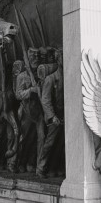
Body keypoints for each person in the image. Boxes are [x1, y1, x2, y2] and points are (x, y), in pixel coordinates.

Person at [37, 49, 64, 178]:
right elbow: (45, 100)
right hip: (54, 116)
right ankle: (41, 167)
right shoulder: (51, 79)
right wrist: (52, 117)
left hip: (65, 115)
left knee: (61, 144)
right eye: (62, 57)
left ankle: (55, 168)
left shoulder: (68, 77)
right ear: (58, 60)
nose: (64, 60)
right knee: (50, 143)